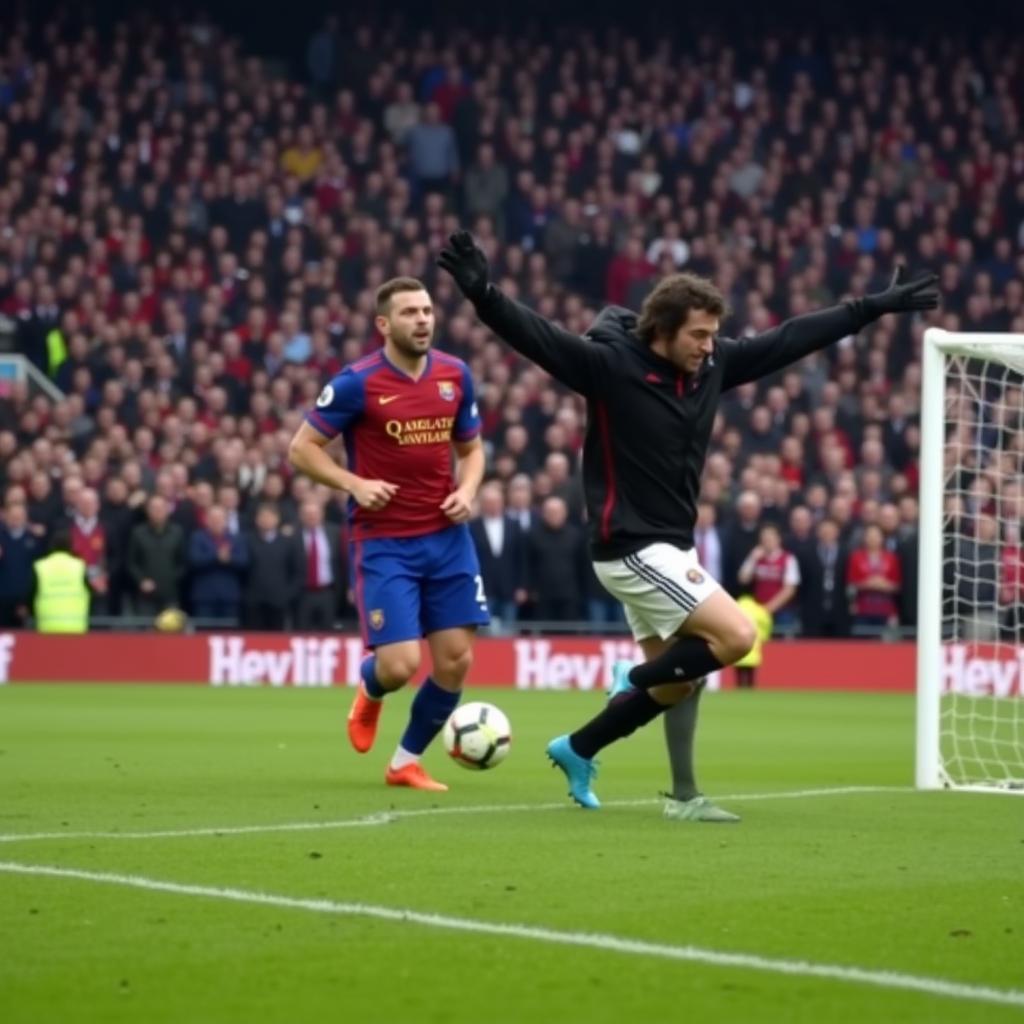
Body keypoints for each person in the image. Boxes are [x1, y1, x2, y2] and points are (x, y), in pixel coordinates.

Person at [439, 230, 938, 813]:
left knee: (681, 679)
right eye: (698, 334)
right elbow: (537, 337)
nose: (709, 345)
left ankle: (594, 753)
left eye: (712, 333)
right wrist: (484, 294)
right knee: (735, 638)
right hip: (629, 548)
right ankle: (634, 677)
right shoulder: (607, 366)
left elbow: (789, 339)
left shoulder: (712, 366)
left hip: (669, 549)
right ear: (663, 329)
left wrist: (869, 308)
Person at [289, 276, 488, 792]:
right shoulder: (356, 382)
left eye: (426, 311)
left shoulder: (455, 374)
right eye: (409, 313)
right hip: (385, 541)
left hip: (447, 537)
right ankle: (371, 688)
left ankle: (404, 762)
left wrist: (467, 492)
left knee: (455, 660)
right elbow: (301, 449)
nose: (422, 320)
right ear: (384, 324)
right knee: (400, 666)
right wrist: (353, 483)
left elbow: (472, 451)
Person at [469, 481, 528, 631]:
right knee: (484, 630)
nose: (493, 506)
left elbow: (521, 558)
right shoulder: (473, 527)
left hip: (509, 587)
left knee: (509, 629)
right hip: (483, 588)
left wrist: (522, 586)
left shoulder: (514, 525)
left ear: (502, 503)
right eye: (489, 502)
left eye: (496, 502)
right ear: (482, 504)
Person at [127, 495, 186, 620]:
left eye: (161, 508)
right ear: (147, 511)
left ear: (167, 510)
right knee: (146, 635)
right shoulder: (138, 533)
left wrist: (171, 579)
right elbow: (131, 562)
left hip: (170, 595)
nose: (157, 511)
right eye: (154, 508)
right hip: (145, 596)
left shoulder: (177, 532)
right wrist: (141, 580)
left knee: (171, 634)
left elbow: (183, 563)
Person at [245, 503, 302, 630]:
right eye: (262, 516)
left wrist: (286, 595)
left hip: (279, 602)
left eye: (269, 516)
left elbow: (297, 571)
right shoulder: (248, 540)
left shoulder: (288, 542)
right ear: (256, 519)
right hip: (254, 602)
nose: (265, 520)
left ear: (277, 519)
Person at [187, 505, 249, 622]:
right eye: (213, 518)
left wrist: (229, 559)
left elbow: (243, 562)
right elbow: (194, 561)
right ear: (207, 520)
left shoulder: (236, 539)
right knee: (203, 634)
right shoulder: (197, 537)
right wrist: (216, 556)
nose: (216, 522)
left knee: (228, 633)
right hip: (204, 597)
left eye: (220, 519)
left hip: (229, 597)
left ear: (226, 521)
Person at [737, 523, 801, 632]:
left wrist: (768, 609)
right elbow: (743, 579)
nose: (767, 541)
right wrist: (752, 559)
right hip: (758, 609)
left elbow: (789, 590)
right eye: (764, 538)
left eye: (771, 538)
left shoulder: (788, 559)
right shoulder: (757, 558)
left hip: (782, 612)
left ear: (778, 539)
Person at [294, 498, 344, 630]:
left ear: (322, 514)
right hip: (302, 593)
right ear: (301, 515)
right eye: (307, 514)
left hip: (327, 592)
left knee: (328, 632)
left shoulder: (335, 532)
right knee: (301, 633)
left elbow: (342, 561)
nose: (311, 517)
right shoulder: (293, 535)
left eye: (315, 513)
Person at [32, 530, 90, 633]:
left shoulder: (40, 566)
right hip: (76, 626)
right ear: (71, 545)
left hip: (47, 626)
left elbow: (32, 593)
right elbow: (89, 591)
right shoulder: (79, 565)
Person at [847, 523, 903, 632]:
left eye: (876, 536)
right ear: (864, 538)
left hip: (886, 610)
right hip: (863, 610)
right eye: (869, 536)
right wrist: (868, 584)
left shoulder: (891, 558)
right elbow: (851, 583)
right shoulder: (856, 557)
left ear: (882, 538)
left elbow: (898, 585)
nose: (873, 539)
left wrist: (882, 584)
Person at [0, 503, 41, 627]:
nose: (15, 520)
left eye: (19, 517)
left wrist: (27, 602)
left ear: (25, 518)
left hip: (23, 599)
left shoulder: (34, 540)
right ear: (5, 516)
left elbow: (37, 572)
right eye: (13, 516)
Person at [734, 594, 773, 689]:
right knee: (751, 678)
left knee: (739, 677)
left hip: (737, 653)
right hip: (753, 652)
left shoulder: (734, 609)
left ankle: (739, 689)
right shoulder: (760, 611)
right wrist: (764, 637)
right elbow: (767, 625)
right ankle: (750, 689)